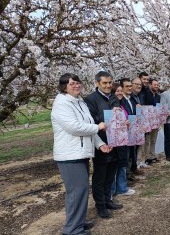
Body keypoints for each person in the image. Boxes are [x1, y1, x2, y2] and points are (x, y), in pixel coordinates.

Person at [52, 73, 110, 235]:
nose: (76, 86)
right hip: (69, 155)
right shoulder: (62, 104)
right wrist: (99, 127)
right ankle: (72, 229)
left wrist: (100, 144)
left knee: (82, 189)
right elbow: (74, 127)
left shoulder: (80, 102)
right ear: (64, 86)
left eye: (78, 83)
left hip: (81, 153)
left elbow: (88, 126)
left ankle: (79, 222)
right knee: (77, 191)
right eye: (72, 84)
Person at [84, 71, 123, 219]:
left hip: (116, 141)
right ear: (97, 84)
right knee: (100, 176)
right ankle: (100, 205)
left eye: (110, 83)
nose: (108, 85)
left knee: (111, 174)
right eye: (104, 83)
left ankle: (108, 200)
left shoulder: (113, 97)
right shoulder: (90, 100)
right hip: (100, 143)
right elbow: (91, 122)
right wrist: (107, 118)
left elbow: (118, 116)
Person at [112, 80, 136, 196]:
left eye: (121, 91)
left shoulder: (121, 105)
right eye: (117, 91)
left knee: (122, 163)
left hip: (123, 138)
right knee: (115, 166)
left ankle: (122, 187)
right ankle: (113, 190)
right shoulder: (112, 106)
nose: (120, 93)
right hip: (115, 140)